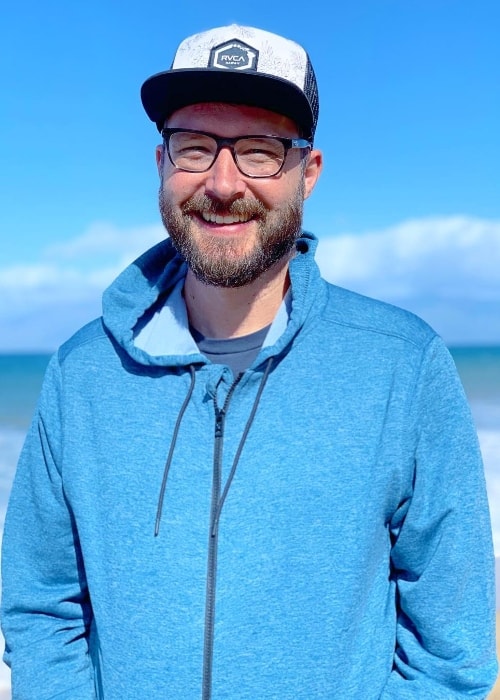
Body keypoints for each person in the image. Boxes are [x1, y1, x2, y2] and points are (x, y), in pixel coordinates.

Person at [1, 24, 498, 700]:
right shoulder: (82, 375)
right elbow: (41, 609)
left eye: (260, 151)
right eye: (195, 146)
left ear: (308, 173)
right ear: (161, 163)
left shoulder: (402, 366)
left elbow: (451, 652)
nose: (222, 181)